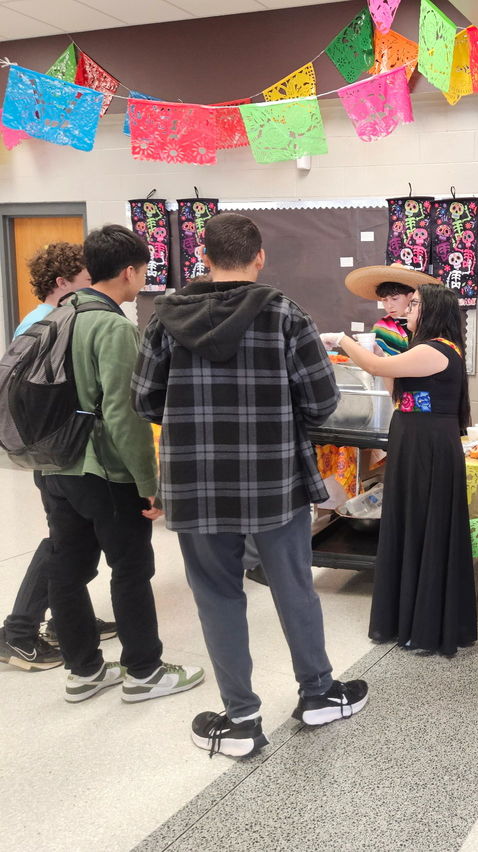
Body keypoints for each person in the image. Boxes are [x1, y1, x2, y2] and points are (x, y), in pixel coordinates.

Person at [133, 213, 366, 758]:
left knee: (217, 596)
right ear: (260, 258)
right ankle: (318, 694)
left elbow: (144, 399)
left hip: (195, 483)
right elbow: (321, 401)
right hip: (274, 480)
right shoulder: (286, 315)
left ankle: (240, 719)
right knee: (294, 588)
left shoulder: (164, 320)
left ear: (204, 256)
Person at [38, 225, 204, 704]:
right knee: (130, 568)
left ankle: (84, 671)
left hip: (55, 466)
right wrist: (148, 483)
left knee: (67, 569)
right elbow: (124, 414)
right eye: (144, 271)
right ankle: (144, 671)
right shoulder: (111, 326)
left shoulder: (58, 314)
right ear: (129, 272)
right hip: (104, 470)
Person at [335, 280, 476, 656]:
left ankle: (426, 624)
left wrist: (342, 340)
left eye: (414, 305)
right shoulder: (421, 350)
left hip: (428, 446)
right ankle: (407, 617)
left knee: (425, 525)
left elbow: (373, 365)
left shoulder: (437, 349)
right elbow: (393, 388)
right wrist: (382, 356)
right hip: (413, 441)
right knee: (410, 524)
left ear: (431, 311)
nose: (407, 310)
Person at [0, 242, 117, 672]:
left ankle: (65, 621)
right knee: (61, 544)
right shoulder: (44, 324)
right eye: (85, 281)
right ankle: (19, 630)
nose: (91, 289)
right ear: (62, 283)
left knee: (74, 543)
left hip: (58, 452)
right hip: (57, 454)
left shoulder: (53, 319)